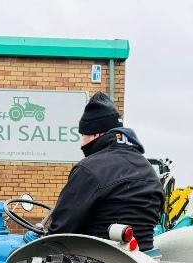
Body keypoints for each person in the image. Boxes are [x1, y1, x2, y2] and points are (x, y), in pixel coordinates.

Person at [46, 92, 163, 251]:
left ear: (96, 133)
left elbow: (59, 232)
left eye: (83, 135)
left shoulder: (89, 169)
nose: (82, 144)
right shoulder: (148, 170)